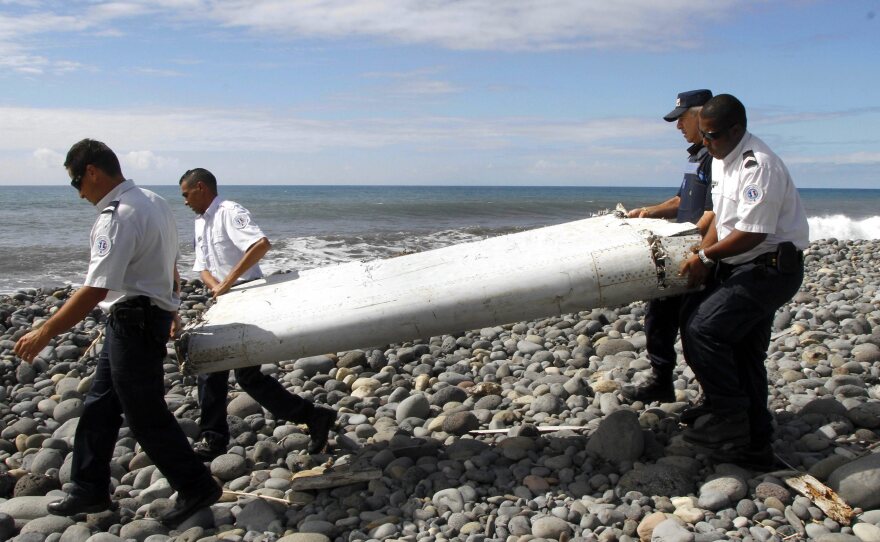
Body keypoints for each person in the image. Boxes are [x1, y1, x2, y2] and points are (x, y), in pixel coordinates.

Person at [14, 139, 221, 526]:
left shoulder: (118, 214)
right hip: (140, 317)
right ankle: (88, 487)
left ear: (92, 171)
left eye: (77, 182)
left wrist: (45, 331)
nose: (79, 194)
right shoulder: (153, 202)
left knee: (144, 413)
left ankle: (196, 485)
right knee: (100, 405)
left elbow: (95, 289)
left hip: (134, 321)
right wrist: (171, 307)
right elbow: (168, 262)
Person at [678, 94, 809, 468]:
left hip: (769, 269)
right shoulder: (722, 158)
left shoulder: (759, 167)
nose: (705, 143)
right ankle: (755, 443)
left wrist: (705, 257)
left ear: (737, 130)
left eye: (713, 136)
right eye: (703, 135)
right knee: (742, 350)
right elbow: (721, 216)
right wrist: (705, 255)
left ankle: (729, 416)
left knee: (705, 330)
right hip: (741, 265)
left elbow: (753, 232)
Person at [179, 168, 336, 459]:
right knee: (225, 371)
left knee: (236, 372)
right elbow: (201, 265)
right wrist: (216, 287)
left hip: (247, 294)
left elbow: (260, 245)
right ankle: (312, 417)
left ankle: (215, 439)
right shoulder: (200, 222)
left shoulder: (229, 211)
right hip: (224, 299)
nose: (185, 201)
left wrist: (227, 283)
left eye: (186, 195)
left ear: (200, 187)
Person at [626, 89, 715, 406]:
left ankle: (712, 396)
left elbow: (713, 213)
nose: (678, 127)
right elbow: (681, 202)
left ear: (701, 116)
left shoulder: (716, 158)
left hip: (701, 253)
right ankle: (661, 381)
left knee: (697, 328)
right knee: (658, 317)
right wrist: (646, 212)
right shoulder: (696, 157)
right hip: (681, 250)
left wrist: (698, 253)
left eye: (682, 119)